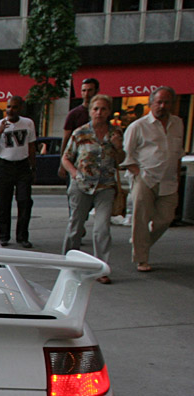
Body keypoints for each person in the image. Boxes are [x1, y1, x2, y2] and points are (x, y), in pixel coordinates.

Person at [60, 94, 125, 284]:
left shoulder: (115, 133)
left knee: (102, 228)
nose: (99, 113)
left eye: (103, 109)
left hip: (105, 186)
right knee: (75, 226)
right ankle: (67, 263)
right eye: (96, 109)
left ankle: (101, 269)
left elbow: (120, 161)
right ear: (90, 111)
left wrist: (118, 148)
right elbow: (66, 157)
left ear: (109, 112)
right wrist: (74, 173)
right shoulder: (81, 133)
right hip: (82, 185)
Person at [121, 86, 185, 272]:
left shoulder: (178, 123)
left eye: (167, 102)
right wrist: (137, 174)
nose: (163, 106)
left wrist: (177, 174)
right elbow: (127, 155)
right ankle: (141, 258)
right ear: (151, 103)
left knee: (166, 218)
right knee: (141, 219)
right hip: (145, 178)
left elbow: (179, 152)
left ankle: (141, 241)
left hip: (169, 180)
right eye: (159, 102)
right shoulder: (138, 126)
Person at [0, 95, 37, 248]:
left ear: (20, 108)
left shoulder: (28, 123)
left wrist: (33, 167)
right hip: (4, 165)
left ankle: (22, 236)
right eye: (8, 107)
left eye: (14, 107)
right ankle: (3, 236)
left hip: (22, 165)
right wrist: (0, 131)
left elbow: (32, 146)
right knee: (3, 203)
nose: (10, 110)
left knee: (24, 201)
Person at [60, 78, 99, 180]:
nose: (86, 94)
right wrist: (62, 164)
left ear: (96, 91)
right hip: (77, 162)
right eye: (83, 90)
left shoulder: (102, 114)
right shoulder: (74, 114)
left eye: (90, 90)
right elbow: (66, 138)